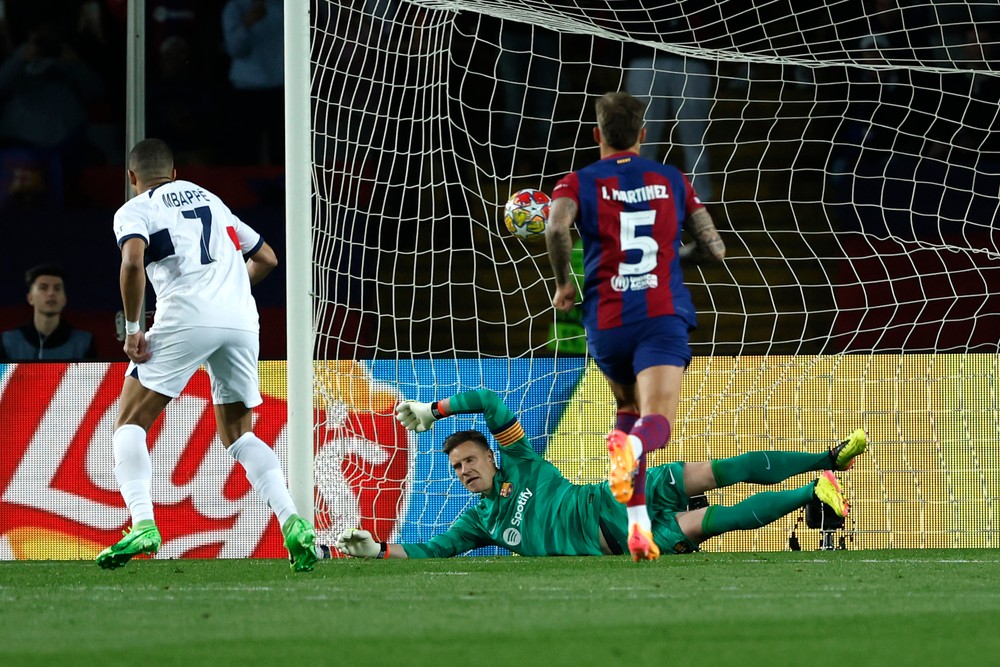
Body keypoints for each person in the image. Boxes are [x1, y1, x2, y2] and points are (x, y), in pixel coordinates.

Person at [97, 138, 316, 572]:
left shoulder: (135, 209)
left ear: (132, 177)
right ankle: (294, 522)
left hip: (185, 315)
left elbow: (132, 262)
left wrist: (135, 329)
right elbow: (267, 257)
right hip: (241, 321)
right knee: (239, 435)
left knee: (129, 423)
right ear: (175, 172)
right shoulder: (212, 200)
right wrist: (228, 295)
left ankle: (142, 523)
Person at [333, 389, 867, 561]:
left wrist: (437, 410)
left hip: (614, 496)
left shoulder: (519, 460)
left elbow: (491, 402)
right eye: (455, 467)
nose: (464, 469)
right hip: (620, 538)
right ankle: (814, 490)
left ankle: (825, 458)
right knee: (714, 520)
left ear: (492, 458)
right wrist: (377, 551)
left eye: (470, 459)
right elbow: (432, 551)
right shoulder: (481, 523)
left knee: (715, 471)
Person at [544, 91, 725, 560]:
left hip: (605, 319)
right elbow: (715, 247)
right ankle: (630, 458)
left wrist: (564, 285)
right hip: (659, 316)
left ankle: (638, 526)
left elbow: (555, 227)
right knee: (655, 422)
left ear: (596, 134)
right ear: (643, 134)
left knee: (627, 409)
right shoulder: (671, 179)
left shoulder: (578, 181)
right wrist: (681, 256)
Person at [221, 0, 283, 164]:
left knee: (282, 150)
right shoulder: (235, 7)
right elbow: (234, 49)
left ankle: (283, 188)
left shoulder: (285, 6)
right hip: (246, 89)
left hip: (280, 88)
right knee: (246, 150)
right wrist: (247, 23)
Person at [1, 263, 96, 360]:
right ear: (30, 298)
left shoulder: (84, 342)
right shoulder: (8, 341)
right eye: (43, 288)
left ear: (64, 299)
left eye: (57, 288)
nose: (51, 293)